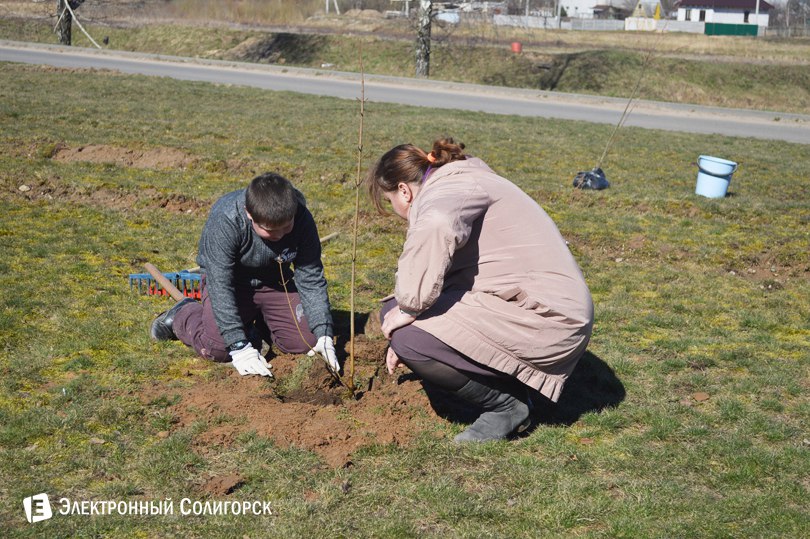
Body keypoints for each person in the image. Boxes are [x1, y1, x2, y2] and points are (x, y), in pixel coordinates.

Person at [368, 138, 594, 442]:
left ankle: (506, 406)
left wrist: (411, 310)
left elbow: (436, 224)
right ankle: (506, 379)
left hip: (549, 319)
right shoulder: (461, 179)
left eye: (389, 200)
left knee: (409, 337)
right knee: (395, 311)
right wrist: (407, 307)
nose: (394, 209)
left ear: (404, 191)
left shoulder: (444, 194)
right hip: (531, 303)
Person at [150, 172, 339, 378]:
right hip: (232, 283)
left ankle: (262, 321)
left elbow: (310, 277)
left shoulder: (301, 215)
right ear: (250, 214)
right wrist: (238, 345)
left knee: (307, 344)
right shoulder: (226, 219)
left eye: (286, 227)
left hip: (276, 282)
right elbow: (220, 284)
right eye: (270, 230)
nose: (279, 236)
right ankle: (183, 313)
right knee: (218, 349)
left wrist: (324, 333)